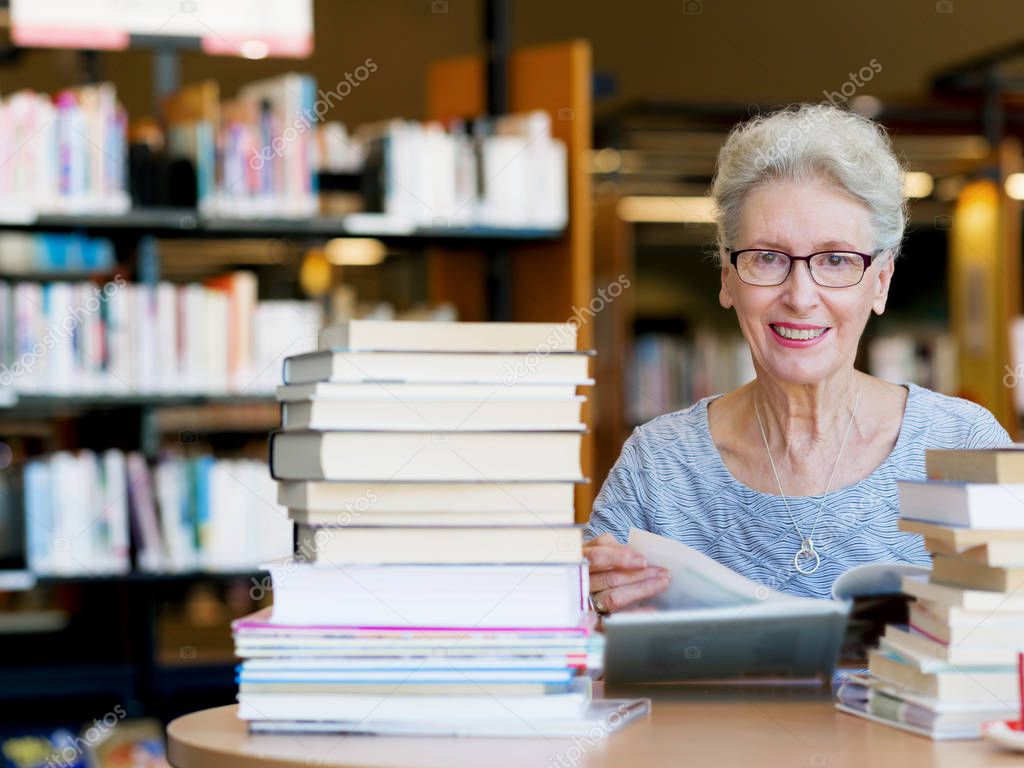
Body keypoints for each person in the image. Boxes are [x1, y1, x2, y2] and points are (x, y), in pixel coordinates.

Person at [584, 103, 1013, 613]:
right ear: (727, 278)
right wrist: (591, 602)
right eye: (768, 257)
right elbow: (581, 655)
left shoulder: (964, 446)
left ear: (880, 282)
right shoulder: (657, 467)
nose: (800, 295)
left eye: (835, 260)